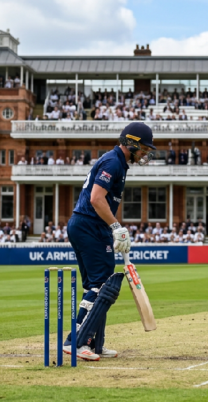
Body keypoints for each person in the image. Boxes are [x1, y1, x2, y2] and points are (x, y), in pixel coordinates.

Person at [65, 122, 156, 361]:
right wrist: (116, 226)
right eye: (144, 149)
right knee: (101, 285)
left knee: (98, 286)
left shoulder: (119, 163)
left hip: (89, 226)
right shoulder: (113, 162)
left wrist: (113, 227)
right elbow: (96, 198)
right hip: (89, 225)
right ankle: (75, 342)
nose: (145, 154)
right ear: (131, 143)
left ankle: (94, 343)